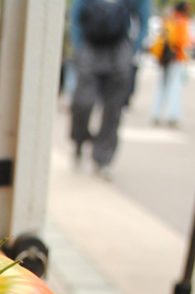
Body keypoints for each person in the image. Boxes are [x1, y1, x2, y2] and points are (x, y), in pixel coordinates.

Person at [69, 0, 151, 180]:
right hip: (90, 48)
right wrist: (78, 46)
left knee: (112, 110)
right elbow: (75, 17)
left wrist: (132, 49)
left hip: (118, 51)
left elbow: (143, 17)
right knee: (82, 102)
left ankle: (102, 158)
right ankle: (79, 139)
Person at [149, 2, 193, 127]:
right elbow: (183, 41)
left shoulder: (169, 19)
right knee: (174, 87)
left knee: (161, 86)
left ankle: (156, 113)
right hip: (177, 58)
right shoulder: (182, 22)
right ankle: (173, 115)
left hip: (164, 59)